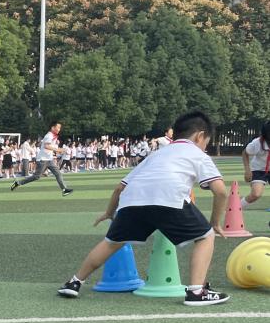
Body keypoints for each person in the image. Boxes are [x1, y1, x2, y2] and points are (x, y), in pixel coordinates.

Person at [58, 111, 230, 306]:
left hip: (132, 200)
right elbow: (221, 192)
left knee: (112, 242)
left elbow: (119, 187)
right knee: (206, 236)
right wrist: (215, 223)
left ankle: (74, 282)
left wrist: (109, 213)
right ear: (200, 136)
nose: (205, 146)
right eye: (206, 142)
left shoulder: (156, 154)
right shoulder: (197, 154)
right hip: (168, 198)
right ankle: (196, 292)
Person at [12, 122, 72, 195]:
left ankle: (64, 189)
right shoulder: (49, 135)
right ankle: (18, 183)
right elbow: (46, 146)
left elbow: (47, 146)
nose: (59, 129)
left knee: (58, 174)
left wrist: (59, 150)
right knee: (36, 177)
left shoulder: (52, 136)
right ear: (53, 128)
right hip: (42, 160)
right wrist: (58, 150)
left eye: (60, 128)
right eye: (58, 127)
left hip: (49, 159)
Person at [240, 121, 270, 224]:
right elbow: (245, 153)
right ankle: (235, 208)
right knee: (256, 194)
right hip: (259, 169)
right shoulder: (257, 143)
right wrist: (247, 170)